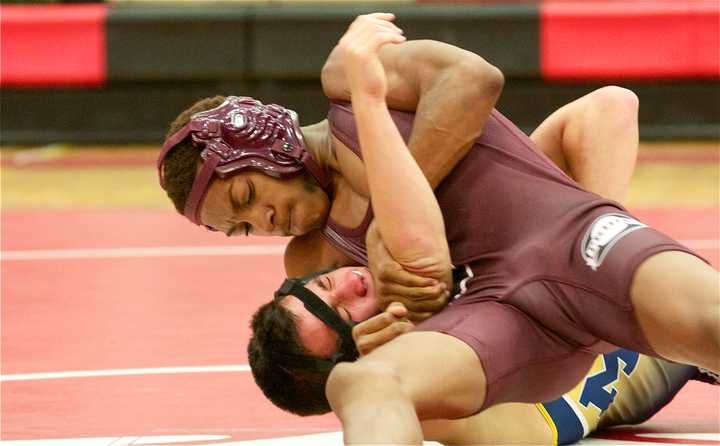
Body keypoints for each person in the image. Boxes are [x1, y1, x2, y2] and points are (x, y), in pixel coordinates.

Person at [156, 13, 719, 435]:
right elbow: (363, 340)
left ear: (263, 140)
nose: (264, 220)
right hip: (495, 323)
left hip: (573, 248)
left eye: (249, 196)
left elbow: (473, 79)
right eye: (243, 228)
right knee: (365, 381)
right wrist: (379, 341)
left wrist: (387, 211)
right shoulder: (313, 261)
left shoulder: (348, 83)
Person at [251, 264, 704, 445]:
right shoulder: (444, 405)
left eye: (327, 281)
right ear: (365, 350)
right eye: (349, 315)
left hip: (634, 326)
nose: (354, 282)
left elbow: (609, 109)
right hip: (651, 344)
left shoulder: (419, 260)